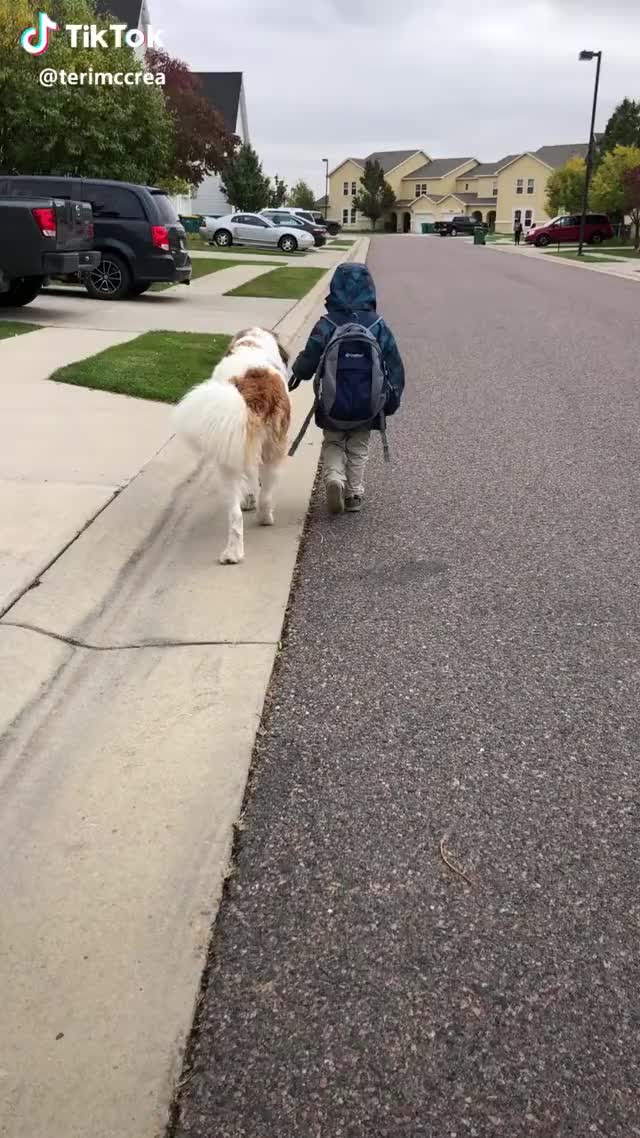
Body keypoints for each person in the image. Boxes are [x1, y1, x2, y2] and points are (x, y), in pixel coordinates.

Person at [288, 263, 405, 515]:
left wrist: (299, 372)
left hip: (332, 402)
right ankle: (353, 494)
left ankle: (333, 477)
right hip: (367, 404)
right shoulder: (378, 325)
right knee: (358, 447)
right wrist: (393, 398)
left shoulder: (327, 322)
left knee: (333, 442)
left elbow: (311, 354)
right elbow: (394, 363)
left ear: (335, 288)